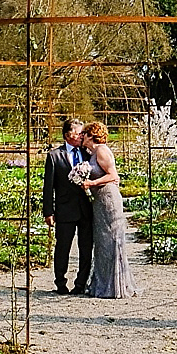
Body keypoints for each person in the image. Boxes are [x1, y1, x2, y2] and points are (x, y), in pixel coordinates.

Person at [79, 121, 139, 298]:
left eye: (84, 134)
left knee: (111, 241)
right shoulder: (93, 152)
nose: (82, 137)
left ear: (91, 135)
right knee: (102, 242)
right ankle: (103, 284)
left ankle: (115, 286)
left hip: (108, 199)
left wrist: (92, 183)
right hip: (99, 200)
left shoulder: (102, 150)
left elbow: (113, 175)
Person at [41, 117, 93, 294]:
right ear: (67, 135)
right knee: (63, 247)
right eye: (79, 133)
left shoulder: (88, 153)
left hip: (86, 209)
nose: (81, 136)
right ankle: (60, 283)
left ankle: (81, 283)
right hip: (65, 209)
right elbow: (48, 186)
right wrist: (49, 212)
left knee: (86, 248)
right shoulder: (55, 156)